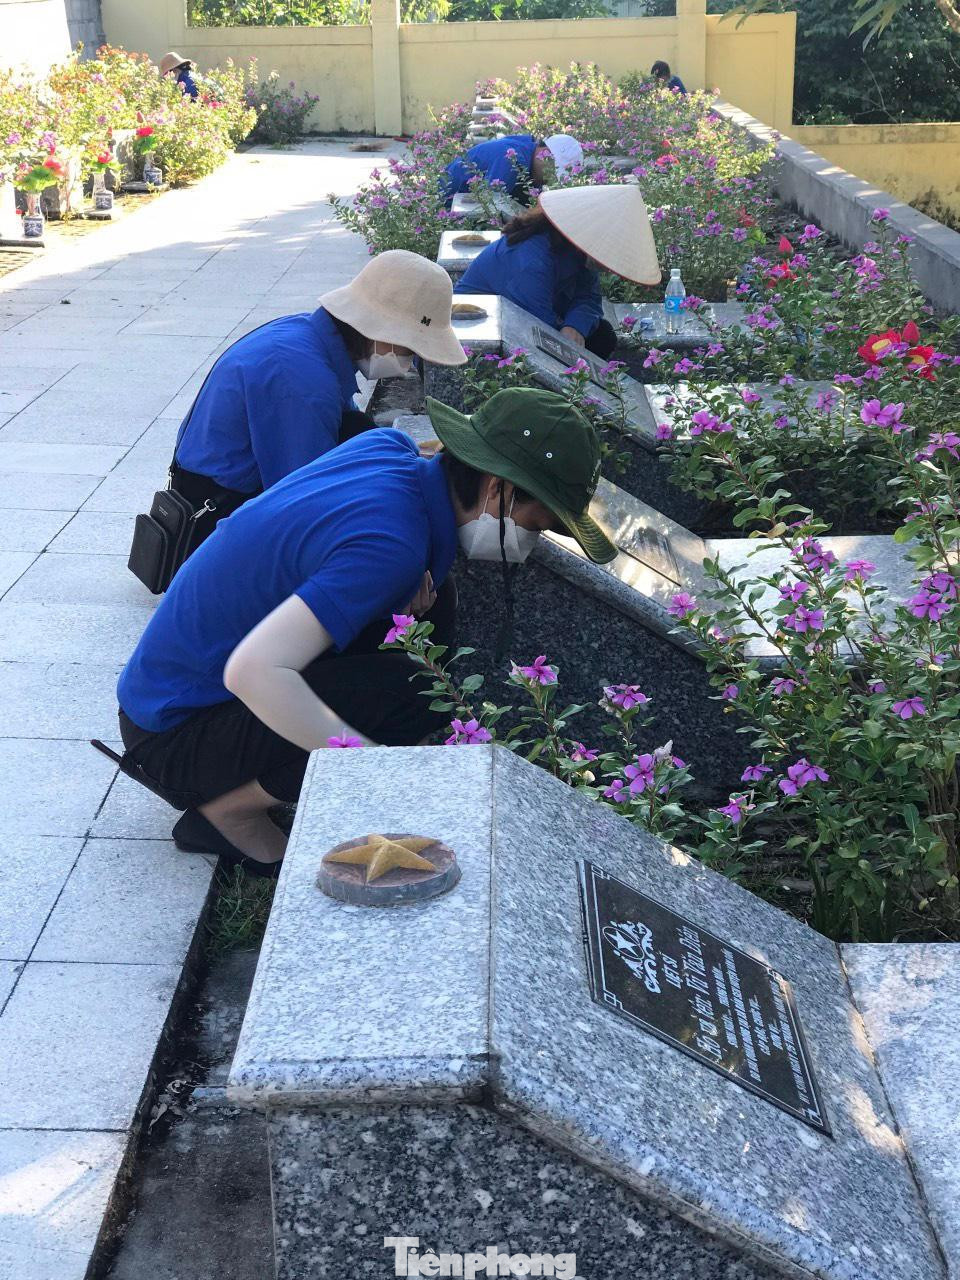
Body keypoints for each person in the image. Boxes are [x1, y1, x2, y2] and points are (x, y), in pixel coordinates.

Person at [114, 387, 616, 875]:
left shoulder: (391, 449)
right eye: (540, 524)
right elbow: (253, 671)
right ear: (496, 488)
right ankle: (230, 813)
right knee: (411, 691)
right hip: (173, 736)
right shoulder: (390, 546)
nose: (535, 542)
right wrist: (375, 772)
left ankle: (272, 779)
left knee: (430, 626)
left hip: (165, 700)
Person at [169, 250, 465, 518]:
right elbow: (304, 500)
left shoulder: (308, 337)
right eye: (410, 349)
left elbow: (347, 430)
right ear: (381, 331)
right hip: (216, 512)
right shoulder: (300, 380)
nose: (409, 365)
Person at [455, 184, 660, 360]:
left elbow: (589, 298)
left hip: (530, 317)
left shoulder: (575, 251)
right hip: (483, 329)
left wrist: (575, 326)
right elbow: (537, 328)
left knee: (602, 335)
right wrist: (565, 334)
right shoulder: (532, 258)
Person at [442, 133, 583, 203]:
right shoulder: (512, 160)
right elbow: (491, 206)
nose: (550, 180)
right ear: (544, 153)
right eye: (553, 172)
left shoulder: (526, 151)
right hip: (445, 205)